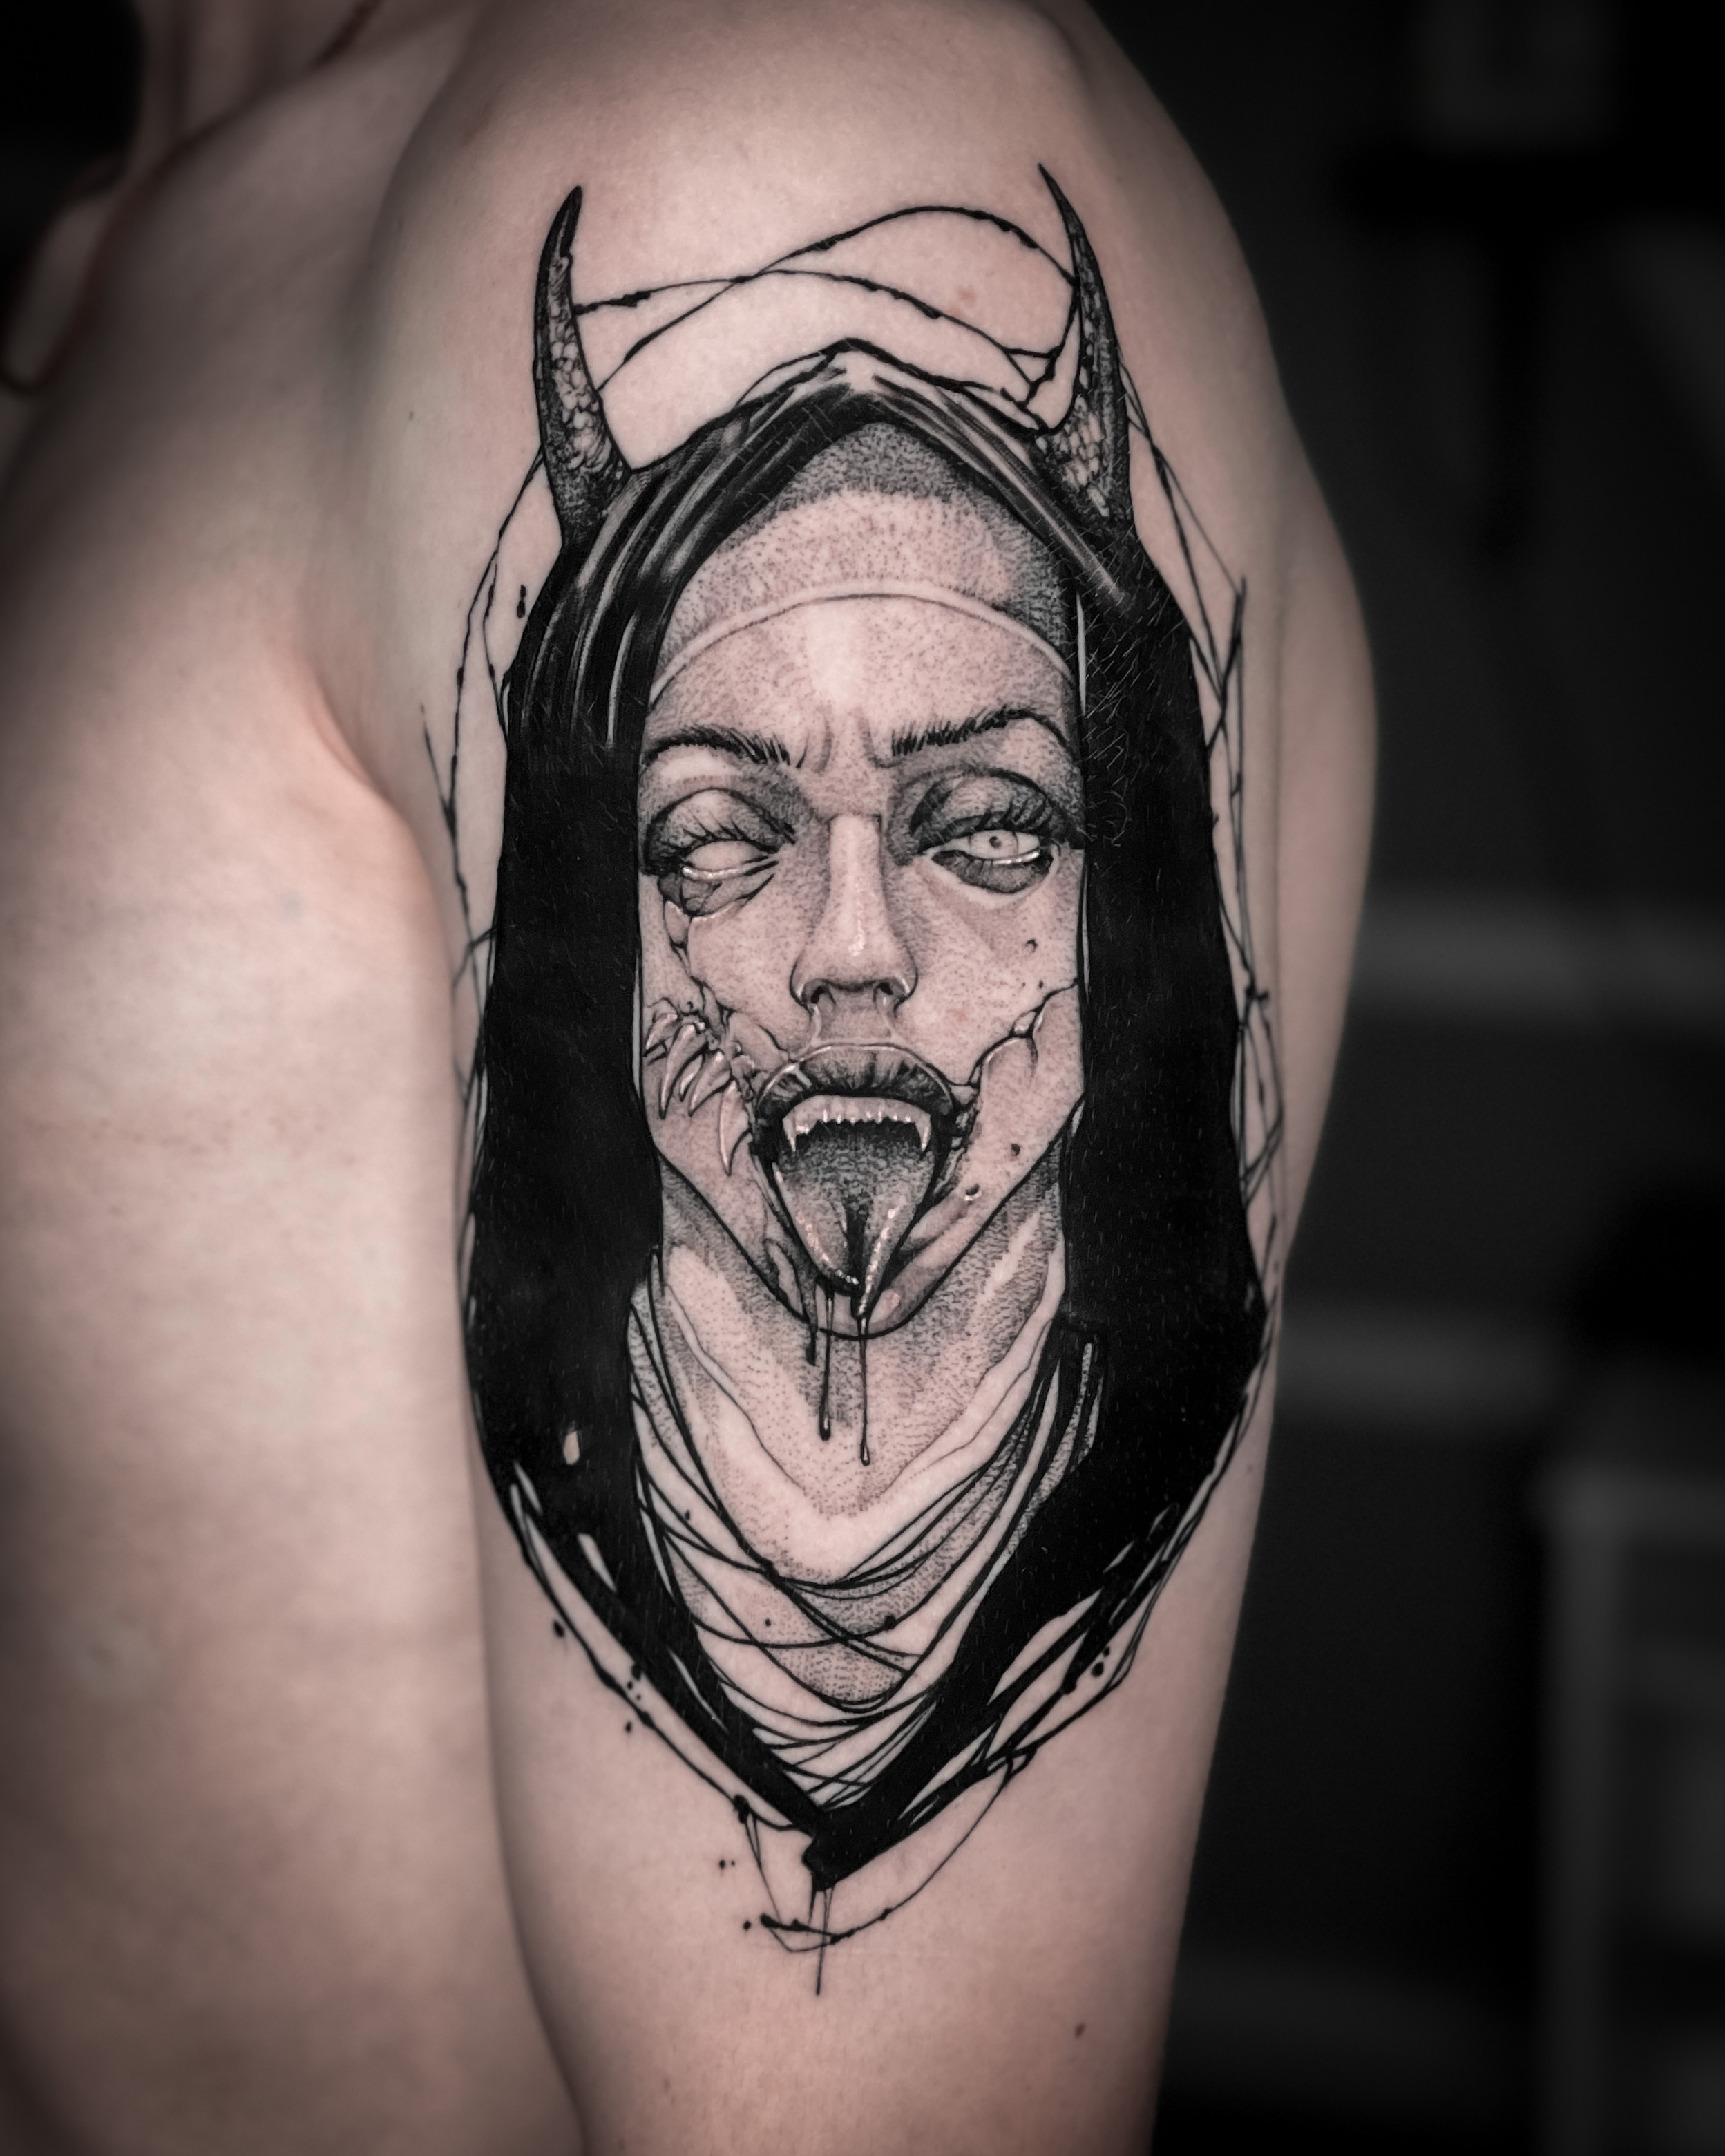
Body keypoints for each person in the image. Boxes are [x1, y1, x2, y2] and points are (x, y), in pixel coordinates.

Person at [0, 2, 1373, 2150]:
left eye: (984, 828)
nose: (851, 955)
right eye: (717, 841)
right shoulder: (141, 237)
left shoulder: (745, 129)